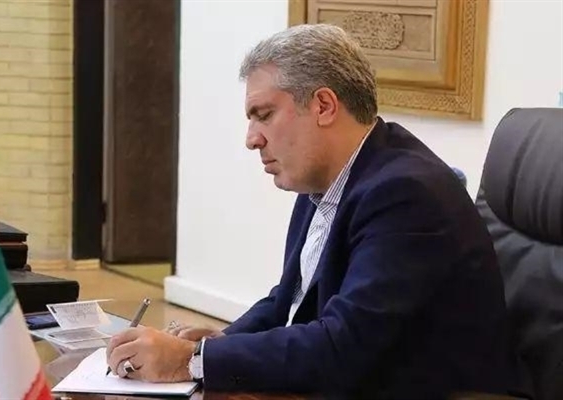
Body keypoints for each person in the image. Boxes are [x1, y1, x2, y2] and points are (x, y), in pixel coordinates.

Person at [106, 24, 512, 398]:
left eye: (264, 115)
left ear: (323, 105)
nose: (251, 139)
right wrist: (215, 344)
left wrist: (191, 361)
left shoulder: (406, 195)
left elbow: (342, 346)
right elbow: (289, 299)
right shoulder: (325, 178)